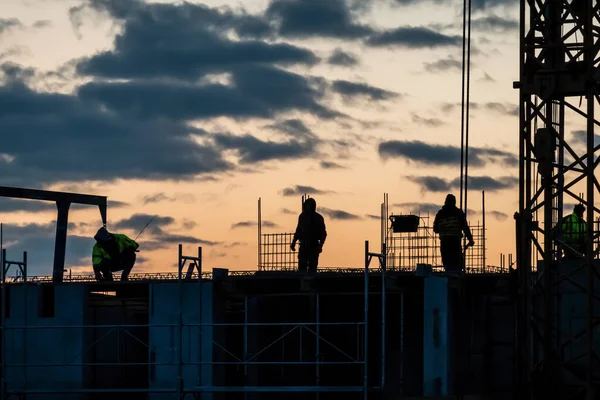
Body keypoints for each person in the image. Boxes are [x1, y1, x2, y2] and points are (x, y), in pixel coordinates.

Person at [433, 194, 474, 273]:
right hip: (455, 240)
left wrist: (444, 227)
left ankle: (449, 273)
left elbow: (435, 229)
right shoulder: (458, 213)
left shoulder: (440, 214)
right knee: (456, 261)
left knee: (447, 261)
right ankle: (456, 275)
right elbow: (465, 227)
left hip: (445, 240)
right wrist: (470, 239)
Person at [290, 198, 327, 273]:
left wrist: (320, 245)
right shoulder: (302, 217)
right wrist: (293, 242)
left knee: (312, 268)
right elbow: (298, 230)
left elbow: (323, 233)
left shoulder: (318, 218)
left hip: (313, 245)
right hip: (304, 245)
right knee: (302, 267)